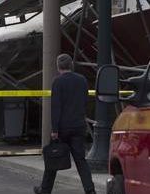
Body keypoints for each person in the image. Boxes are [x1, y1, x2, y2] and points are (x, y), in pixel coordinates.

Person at [34, 54, 96, 194]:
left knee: (53, 158)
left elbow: (56, 107)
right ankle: (90, 189)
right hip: (78, 126)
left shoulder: (58, 82)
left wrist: (55, 129)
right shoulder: (82, 80)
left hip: (62, 128)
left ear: (58, 66)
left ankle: (45, 190)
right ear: (71, 65)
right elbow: (85, 101)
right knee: (81, 160)